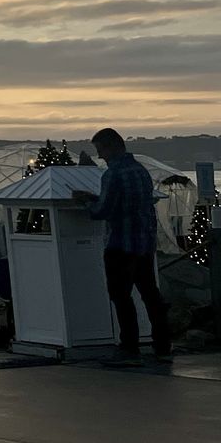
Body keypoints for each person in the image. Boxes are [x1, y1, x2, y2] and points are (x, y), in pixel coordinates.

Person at [72, 128, 171, 363]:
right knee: (150, 294)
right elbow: (131, 203)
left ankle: (129, 345)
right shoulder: (141, 171)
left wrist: (86, 202)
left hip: (120, 244)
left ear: (110, 147)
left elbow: (104, 210)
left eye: (100, 150)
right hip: (144, 244)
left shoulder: (112, 175)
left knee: (121, 296)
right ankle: (162, 343)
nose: (100, 156)